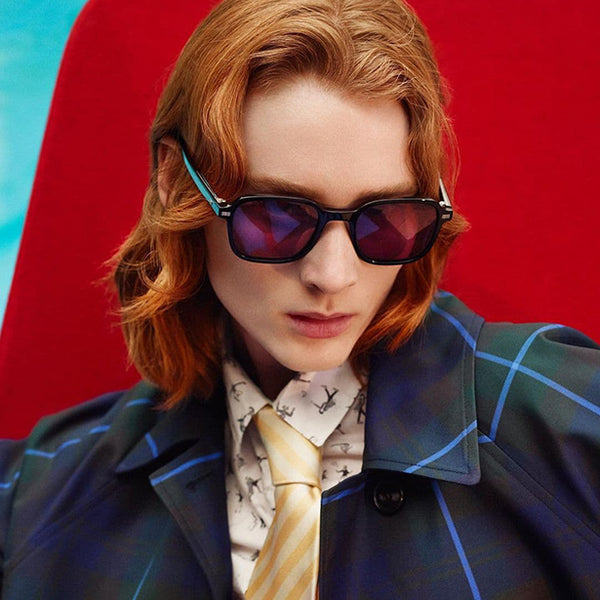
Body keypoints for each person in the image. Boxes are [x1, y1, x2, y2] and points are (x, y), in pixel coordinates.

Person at [1, 0, 599, 598]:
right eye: (277, 217)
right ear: (176, 181)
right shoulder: (36, 502)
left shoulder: (568, 428)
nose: (333, 275)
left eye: (385, 217)